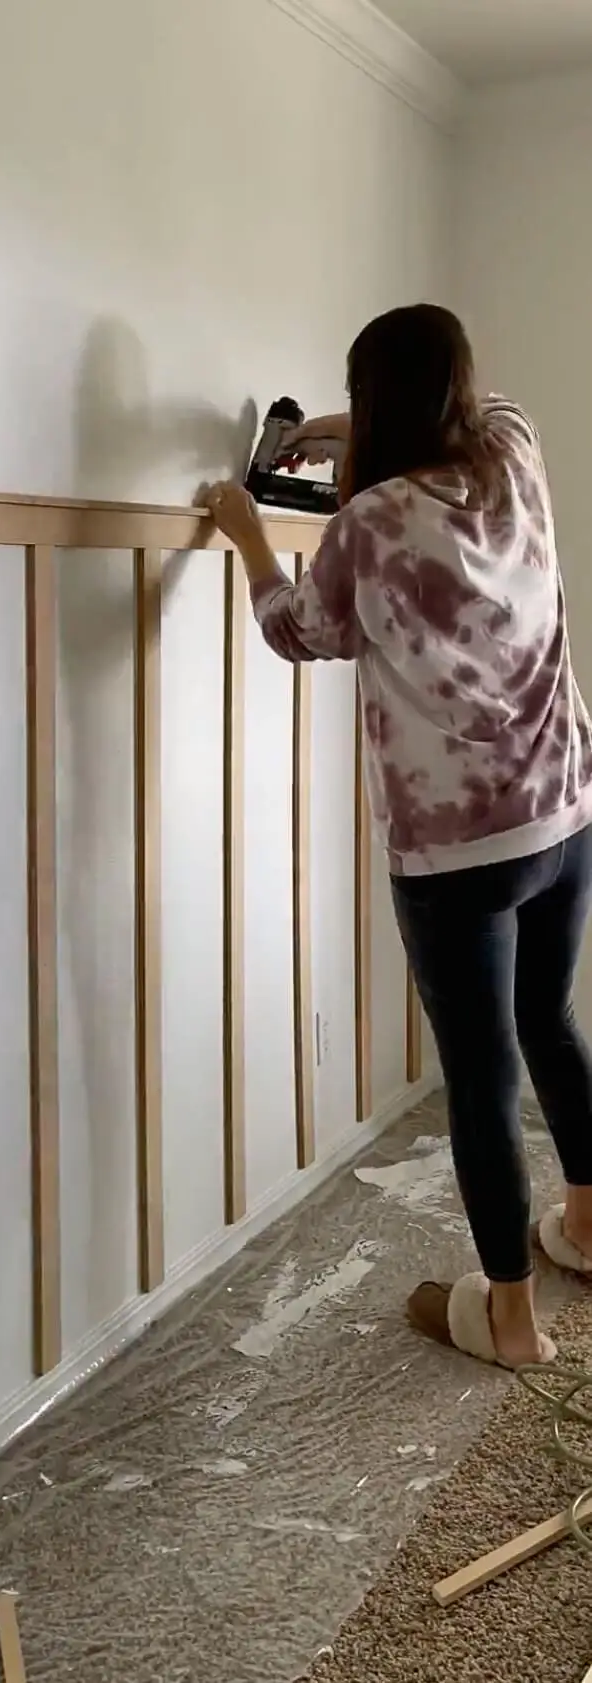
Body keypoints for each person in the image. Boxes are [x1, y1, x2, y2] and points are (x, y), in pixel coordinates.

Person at [201, 303, 592, 1370]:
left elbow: (299, 632)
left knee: (480, 1075)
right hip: (563, 809)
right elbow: (462, 408)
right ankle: (590, 1229)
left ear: (376, 402)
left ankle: (510, 1323)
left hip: (459, 854)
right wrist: (332, 429)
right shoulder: (512, 448)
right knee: (547, 1020)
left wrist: (245, 532)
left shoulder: (370, 522)